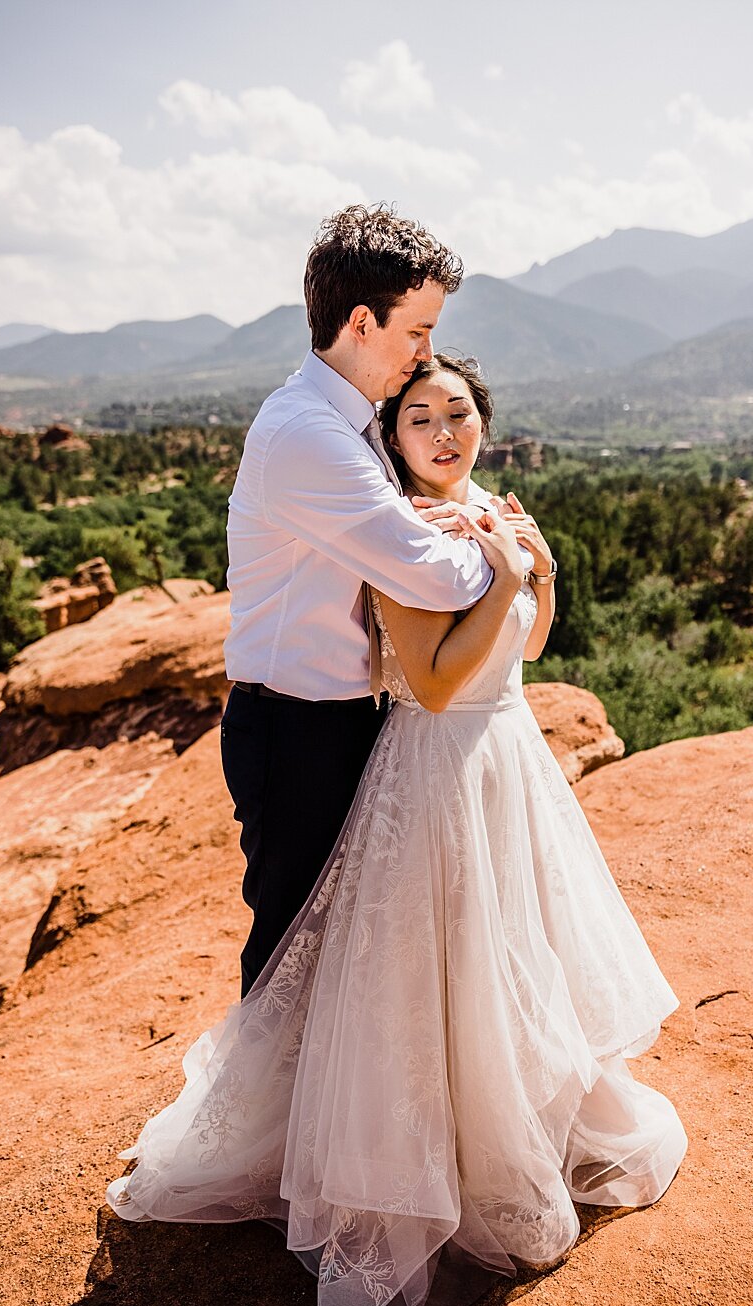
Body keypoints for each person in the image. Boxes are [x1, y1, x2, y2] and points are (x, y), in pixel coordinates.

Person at [107, 355, 687, 1306]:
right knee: (438, 969)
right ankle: (430, 1164)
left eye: (459, 410)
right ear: (393, 437)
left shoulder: (489, 515)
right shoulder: (406, 535)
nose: (445, 429)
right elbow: (435, 677)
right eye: (420, 416)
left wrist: (538, 571)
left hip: (509, 760)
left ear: (483, 424)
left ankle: (513, 1129)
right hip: (436, 766)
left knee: (513, 952)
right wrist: (502, 569)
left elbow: (532, 646)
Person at [221, 204, 494, 998]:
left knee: (342, 951)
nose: (428, 353)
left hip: (341, 721)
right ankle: (259, 1126)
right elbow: (435, 577)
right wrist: (497, 553)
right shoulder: (307, 434)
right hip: (295, 726)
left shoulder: (350, 423)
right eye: (418, 331)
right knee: (288, 953)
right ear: (364, 321)